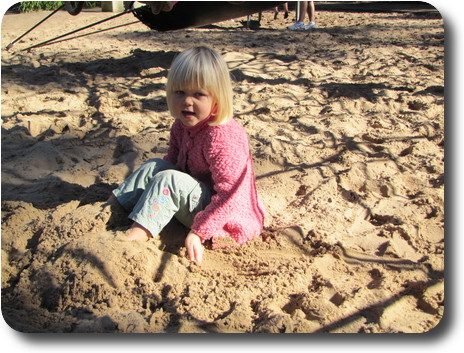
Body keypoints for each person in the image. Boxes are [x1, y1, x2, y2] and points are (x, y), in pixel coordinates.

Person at [108, 47, 266, 265]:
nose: (187, 101)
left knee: (167, 180)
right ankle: (111, 209)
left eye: (198, 94)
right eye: (179, 92)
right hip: (195, 195)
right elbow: (172, 161)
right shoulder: (181, 125)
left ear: (217, 98)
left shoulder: (222, 136)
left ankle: (132, 242)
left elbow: (231, 196)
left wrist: (199, 232)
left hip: (226, 216)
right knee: (155, 165)